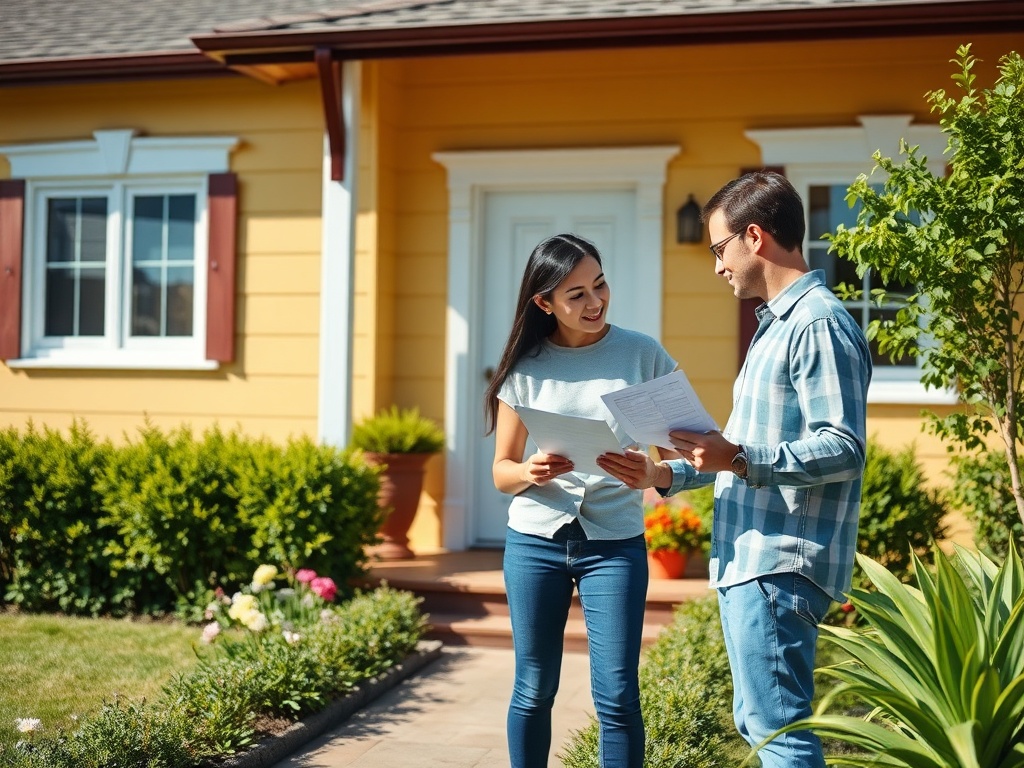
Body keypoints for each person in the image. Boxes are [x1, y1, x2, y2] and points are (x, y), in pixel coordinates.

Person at [596, 171, 872, 768]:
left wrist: (741, 457)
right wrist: (665, 475)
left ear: (755, 236)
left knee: (778, 731)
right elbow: (735, 453)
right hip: (753, 558)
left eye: (720, 249)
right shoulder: (775, 326)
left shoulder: (817, 323)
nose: (718, 266)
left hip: (780, 562)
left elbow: (844, 449)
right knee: (760, 723)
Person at [484, 233, 676, 768]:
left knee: (616, 697)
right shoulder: (525, 368)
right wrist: (530, 470)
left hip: (614, 544)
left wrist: (652, 473)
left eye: (600, 285)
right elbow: (501, 473)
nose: (594, 303)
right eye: (576, 295)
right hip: (534, 542)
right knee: (533, 688)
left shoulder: (642, 356)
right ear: (544, 303)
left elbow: (689, 458)